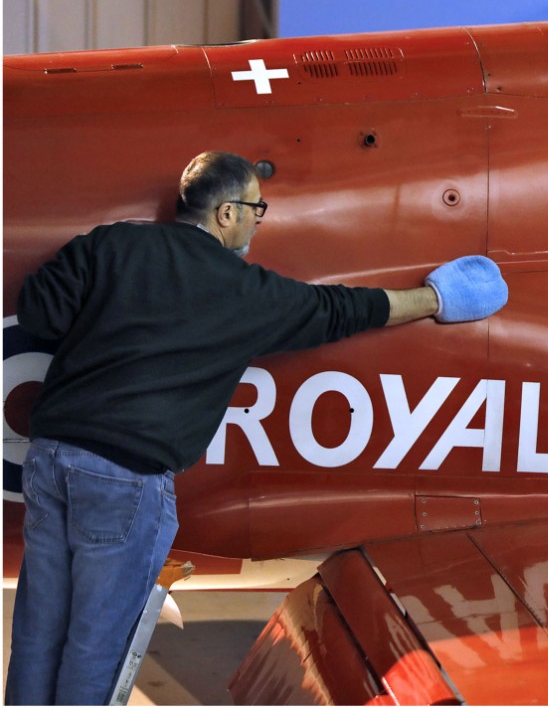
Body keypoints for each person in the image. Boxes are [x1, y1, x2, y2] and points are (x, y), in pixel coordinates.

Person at [5, 151, 508, 705]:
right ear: (226, 214)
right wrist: (437, 299)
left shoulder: (111, 245)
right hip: (126, 482)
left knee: (37, 632)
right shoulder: (245, 294)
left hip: (52, 463)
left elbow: (41, 313)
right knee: (95, 649)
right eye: (256, 209)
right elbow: (339, 309)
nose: (257, 222)